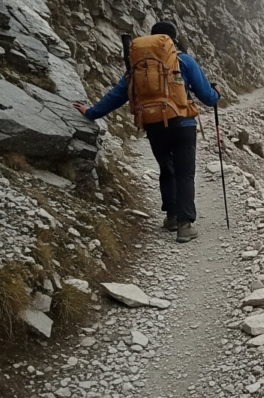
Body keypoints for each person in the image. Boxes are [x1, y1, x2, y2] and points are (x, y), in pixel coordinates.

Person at [73, 21, 220, 243]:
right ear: (173, 39)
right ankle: (184, 225)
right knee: (184, 173)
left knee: (166, 167)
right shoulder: (183, 60)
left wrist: (92, 112)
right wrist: (216, 94)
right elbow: (207, 97)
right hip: (182, 125)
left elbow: (119, 94)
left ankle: (171, 217)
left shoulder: (139, 64)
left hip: (153, 124)